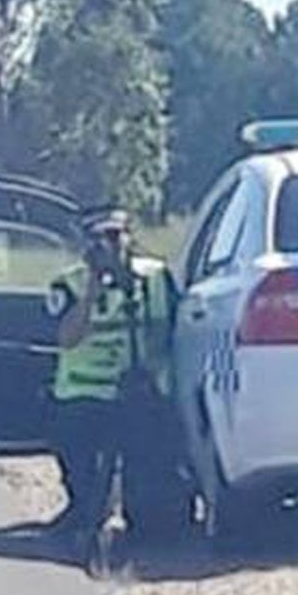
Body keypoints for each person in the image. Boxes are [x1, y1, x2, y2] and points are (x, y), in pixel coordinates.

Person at [43, 206, 190, 553]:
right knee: (86, 479)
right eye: (98, 239)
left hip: (143, 391)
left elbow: (176, 330)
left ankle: (150, 522)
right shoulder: (69, 284)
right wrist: (93, 290)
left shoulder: (157, 278)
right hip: (85, 392)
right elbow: (66, 337)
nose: (108, 246)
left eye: (114, 236)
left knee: (153, 483)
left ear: (129, 237)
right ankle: (84, 513)